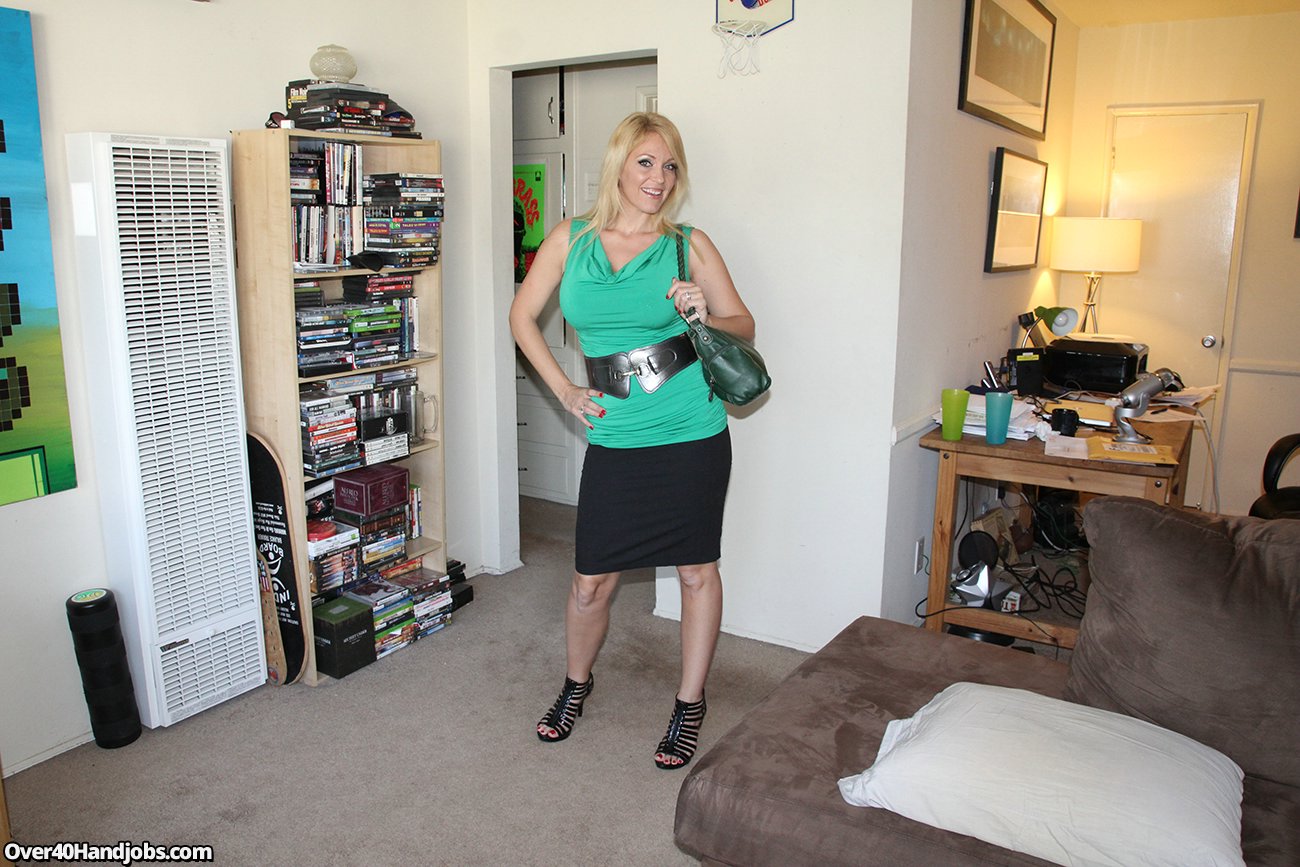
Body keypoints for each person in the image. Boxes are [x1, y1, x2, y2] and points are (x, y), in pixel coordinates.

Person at [508, 112, 755, 770]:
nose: (659, 177)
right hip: (617, 435)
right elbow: (522, 316)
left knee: (697, 571)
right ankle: (575, 683)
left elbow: (743, 323)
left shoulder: (687, 245)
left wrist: (704, 312)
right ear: (618, 164)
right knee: (590, 581)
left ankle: (689, 702)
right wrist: (564, 390)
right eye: (646, 161)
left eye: (670, 166)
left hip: (690, 428)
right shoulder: (571, 239)